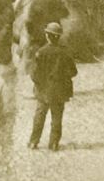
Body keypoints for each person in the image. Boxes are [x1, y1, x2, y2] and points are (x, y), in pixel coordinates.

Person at [28, 21, 77, 152]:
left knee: (39, 116)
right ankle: (54, 143)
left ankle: (33, 142)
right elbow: (73, 72)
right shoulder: (65, 52)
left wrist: (41, 83)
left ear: (47, 35)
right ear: (59, 36)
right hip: (60, 91)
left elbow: (34, 74)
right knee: (57, 118)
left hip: (43, 91)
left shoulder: (41, 52)